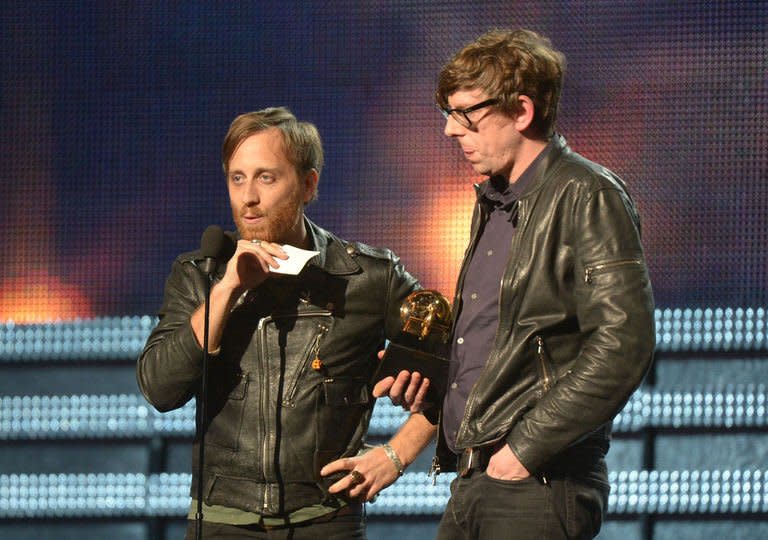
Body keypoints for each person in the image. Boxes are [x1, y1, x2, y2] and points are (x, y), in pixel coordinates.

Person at [373, 28, 656, 539]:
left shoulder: (587, 195)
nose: (450, 132)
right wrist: (435, 389)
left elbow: (623, 343)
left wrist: (524, 449)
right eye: (448, 115)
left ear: (522, 112)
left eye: (466, 115)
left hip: (537, 483)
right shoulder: (496, 204)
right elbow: (504, 348)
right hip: (476, 478)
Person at [137, 107, 435, 539]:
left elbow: (461, 363)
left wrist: (397, 454)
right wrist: (225, 291)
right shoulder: (199, 274)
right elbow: (160, 390)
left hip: (327, 523)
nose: (248, 197)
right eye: (237, 178)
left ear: (308, 184)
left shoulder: (368, 277)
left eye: (266, 177)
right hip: (223, 522)